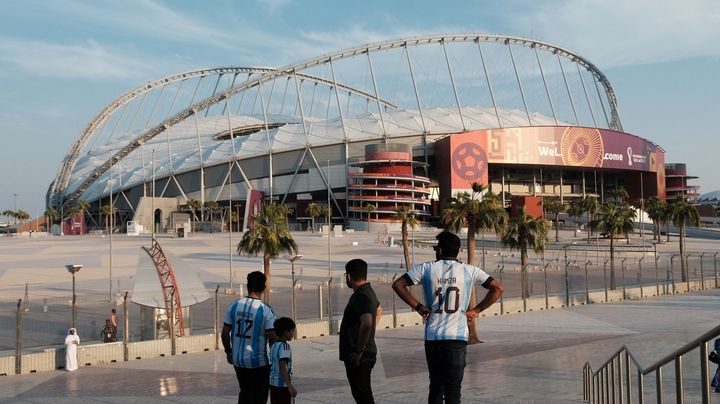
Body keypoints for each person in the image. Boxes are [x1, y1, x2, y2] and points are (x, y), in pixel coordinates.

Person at [392, 231, 504, 404]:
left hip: (433, 337)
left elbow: (398, 284)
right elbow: (497, 289)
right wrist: (476, 310)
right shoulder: (469, 270)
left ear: (440, 251)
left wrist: (419, 306)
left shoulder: (426, 268)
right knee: (453, 391)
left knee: (436, 386)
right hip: (457, 337)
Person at [221, 271, 277, 404]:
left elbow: (224, 333)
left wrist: (229, 352)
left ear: (248, 286)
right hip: (258, 363)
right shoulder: (266, 310)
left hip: (238, 361)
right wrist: (275, 361)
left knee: (244, 392)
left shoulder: (234, 305)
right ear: (264, 288)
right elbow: (272, 338)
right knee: (259, 396)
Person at [340, 258, 382, 404]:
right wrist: (369, 334)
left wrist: (359, 349)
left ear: (349, 276)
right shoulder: (368, 292)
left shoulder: (361, 296)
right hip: (362, 353)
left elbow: (367, 323)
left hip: (359, 356)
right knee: (362, 395)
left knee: (363, 396)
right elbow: (378, 311)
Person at [269, 317, 297, 404]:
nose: (293, 333)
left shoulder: (274, 346)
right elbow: (282, 366)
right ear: (286, 332)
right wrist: (289, 386)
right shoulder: (285, 347)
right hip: (282, 385)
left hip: (273, 385)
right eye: (292, 331)